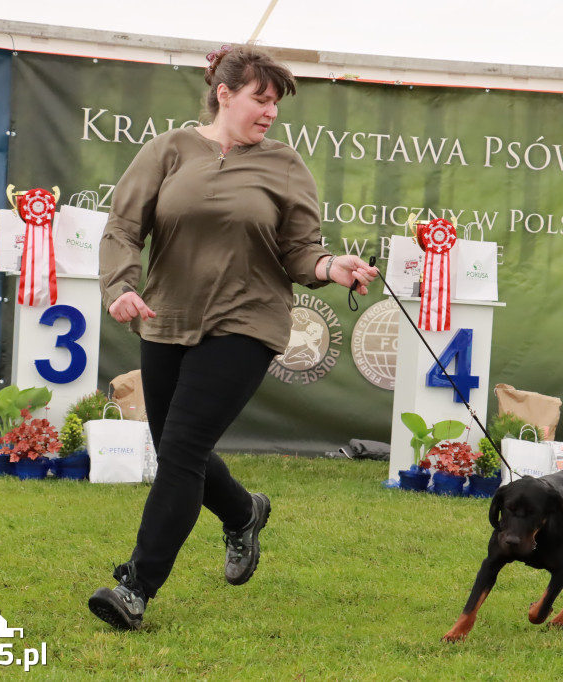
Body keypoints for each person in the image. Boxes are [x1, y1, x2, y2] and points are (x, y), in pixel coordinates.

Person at [88, 44, 378, 630]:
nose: (270, 112)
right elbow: (123, 227)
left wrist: (331, 268)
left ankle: (136, 586)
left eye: (276, 104)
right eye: (260, 99)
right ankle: (244, 511)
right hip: (166, 318)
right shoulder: (169, 150)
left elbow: (300, 251)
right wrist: (120, 286)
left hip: (247, 321)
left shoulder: (285, 165)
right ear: (224, 93)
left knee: (183, 450)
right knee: (176, 448)